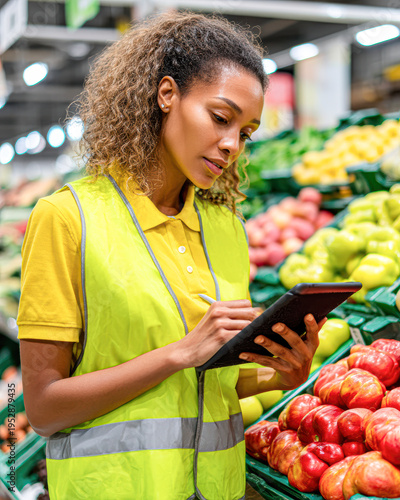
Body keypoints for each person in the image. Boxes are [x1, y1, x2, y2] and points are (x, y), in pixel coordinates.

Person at [17, 11, 325, 500]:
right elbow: (44, 409)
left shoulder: (225, 228)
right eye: (221, 118)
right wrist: (177, 355)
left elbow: (209, 385)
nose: (230, 146)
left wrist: (278, 374)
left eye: (245, 133)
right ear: (167, 95)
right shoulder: (67, 218)